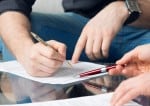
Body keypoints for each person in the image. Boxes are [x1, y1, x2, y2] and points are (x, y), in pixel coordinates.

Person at [0, 0, 150, 77]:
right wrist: (26, 51)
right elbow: (10, 5)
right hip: (80, 31)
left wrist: (124, 7)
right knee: (18, 32)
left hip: (145, 32)